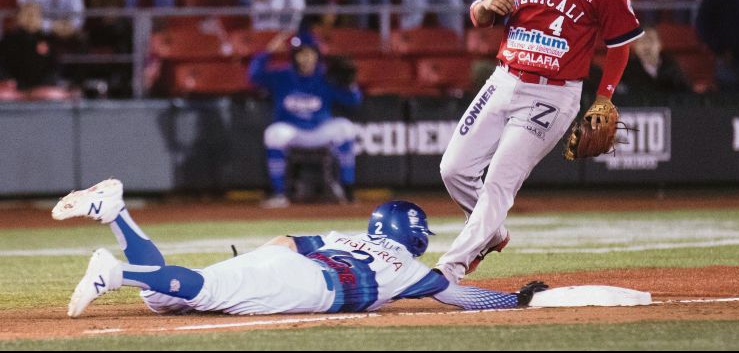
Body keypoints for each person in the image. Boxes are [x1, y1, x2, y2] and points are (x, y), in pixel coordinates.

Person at [434, 0, 643, 284]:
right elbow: (478, 16)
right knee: (454, 169)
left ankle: (450, 267)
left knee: (499, 180)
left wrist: (604, 96)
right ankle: (492, 233)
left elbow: (620, 45)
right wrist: (485, 7)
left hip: (553, 94)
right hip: (504, 80)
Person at [52, 178, 548, 318]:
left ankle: (117, 213)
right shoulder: (409, 267)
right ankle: (114, 273)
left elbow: (285, 240)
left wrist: (249, 265)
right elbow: (459, 295)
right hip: (307, 286)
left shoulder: (344, 236)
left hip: (288, 262)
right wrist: (514, 299)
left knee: (163, 299)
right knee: (200, 290)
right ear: (413, 236)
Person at [248, 31, 362, 209]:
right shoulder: (282, 76)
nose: (306, 58)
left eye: (310, 53)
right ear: (294, 56)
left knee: (346, 127)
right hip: (293, 130)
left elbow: (353, 101)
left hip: (320, 130)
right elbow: (254, 76)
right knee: (273, 134)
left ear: (317, 55)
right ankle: (279, 194)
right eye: (301, 53)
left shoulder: (326, 77)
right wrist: (267, 52)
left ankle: (347, 190)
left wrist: (351, 84)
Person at [0, 2, 60, 90]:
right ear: (18, 17)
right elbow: (2, 65)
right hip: (13, 87)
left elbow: (55, 67)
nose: (31, 18)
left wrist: (46, 83)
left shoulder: (48, 39)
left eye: (34, 15)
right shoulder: (9, 39)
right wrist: (7, 79)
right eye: (27, 15)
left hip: (42, 89)